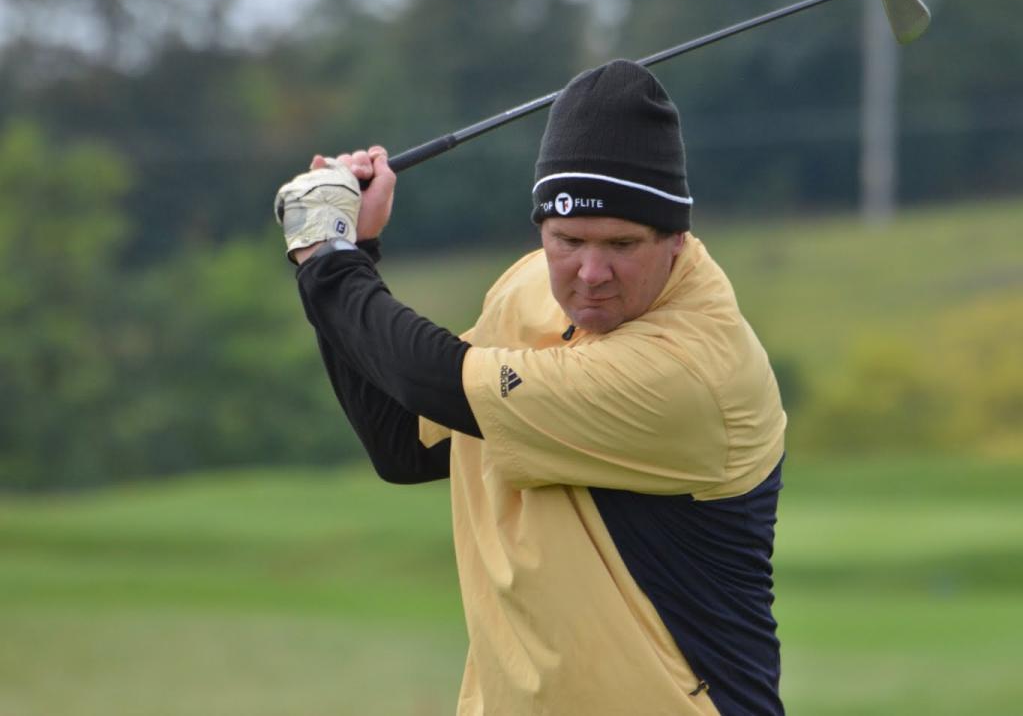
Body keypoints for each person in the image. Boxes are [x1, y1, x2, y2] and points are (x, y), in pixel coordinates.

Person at [275, 59, 787, 715]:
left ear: (678, 239)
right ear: (541, 229)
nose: (591, 272)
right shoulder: (527, 289)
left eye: (622, 244)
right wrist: (351, 251)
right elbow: (403, 441)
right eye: (567, 239)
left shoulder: (691, 371)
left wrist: (328, 257)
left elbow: (436, 379)